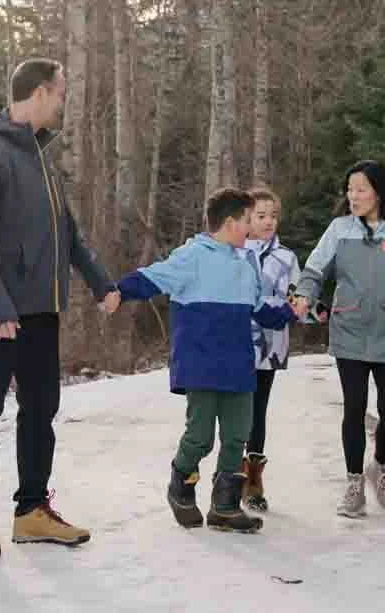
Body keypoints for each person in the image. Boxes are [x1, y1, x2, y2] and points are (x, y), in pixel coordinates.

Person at [0, 58, 122, 561]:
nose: (63, 101)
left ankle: (31, 511)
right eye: (61, 92)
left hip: (42, 309)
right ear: (42, 92)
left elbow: (67, 234)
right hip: (0, 312)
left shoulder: (41, 160)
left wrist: (99, 282)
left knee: (41, 409)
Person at [113, 187, 296, 534]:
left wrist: (290, 311)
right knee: (200, 437)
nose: (252, 228)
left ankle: (224, 507)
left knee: (237, 435)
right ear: (230, 223)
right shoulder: (193, 256)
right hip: (201, 363)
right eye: (247, 220)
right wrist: (116, 292)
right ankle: (180, 485)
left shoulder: (246, 265)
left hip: (239, 365)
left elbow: (261, 311)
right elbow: (152, 277)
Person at [291, 160, 385, 519]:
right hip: (349, 330)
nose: (352, 196)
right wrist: (305, 294)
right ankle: (354, 484)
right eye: (349, 190)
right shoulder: (340, 229)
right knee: (353, 410)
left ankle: (380, 467)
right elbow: (314, 268)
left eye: (360, 189)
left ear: (379, 191)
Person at [241, 188, 300, 512]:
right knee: (237, 408)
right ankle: (230, 473)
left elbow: (299, 295)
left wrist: (312, 309)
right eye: (261, 216)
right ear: (246, 218)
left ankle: (253, 478)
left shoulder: (286, 258)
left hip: (270, 346)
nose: (268, 222)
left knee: (258, 410)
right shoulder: (234, 251)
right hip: (236, 343)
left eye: (273, 216)